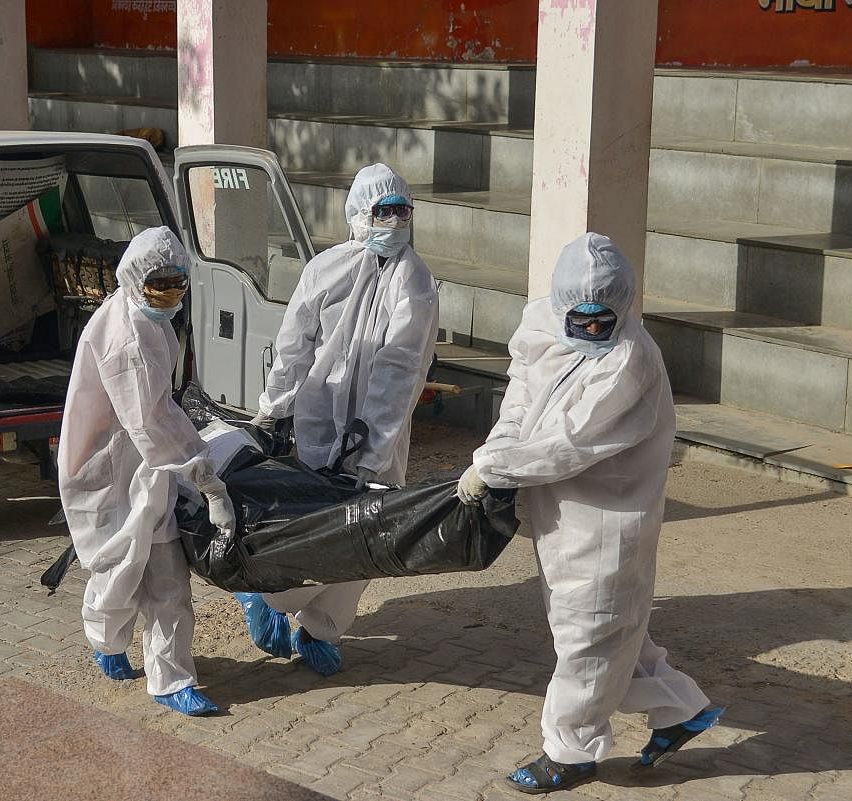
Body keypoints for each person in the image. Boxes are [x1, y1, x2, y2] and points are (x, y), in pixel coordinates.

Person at [457, 232, 722, 793]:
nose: (594, 330)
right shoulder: (541, 325)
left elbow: (570, 442)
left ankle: (571, 752)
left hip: (608, 519)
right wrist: (498, 451)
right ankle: (679, 709)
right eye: (582, 319)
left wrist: (496, 469)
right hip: (558, 512)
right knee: (614, 628)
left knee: (590, 635)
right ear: (560, 305)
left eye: (605, 319)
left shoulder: (630, 362)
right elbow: (522, 395)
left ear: (622, 308)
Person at [240, 163, 439, 677]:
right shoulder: (325, 269)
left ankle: (320, 626)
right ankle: (270, 596)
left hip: (381, 436)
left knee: (368, 536)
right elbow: (293, 344)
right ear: (357, 214)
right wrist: (273, 407)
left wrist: (371, 451)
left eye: (401, 211)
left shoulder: (413, 281)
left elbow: (400, 369)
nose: (393, 222)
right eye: (382, 211)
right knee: (316, 528)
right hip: (318, 421)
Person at [57, 226, 235, 716]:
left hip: (144, 468)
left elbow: (158, 416)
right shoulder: (125, 337)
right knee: (117, 572)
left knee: (165, 576)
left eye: (178, 284)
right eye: (160, 284)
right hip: (106, 471)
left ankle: (170, 678)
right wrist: (207, 480)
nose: (170, 294)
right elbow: (151, 423)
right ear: (134, 280)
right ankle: (105, 636)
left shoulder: (148, 319)